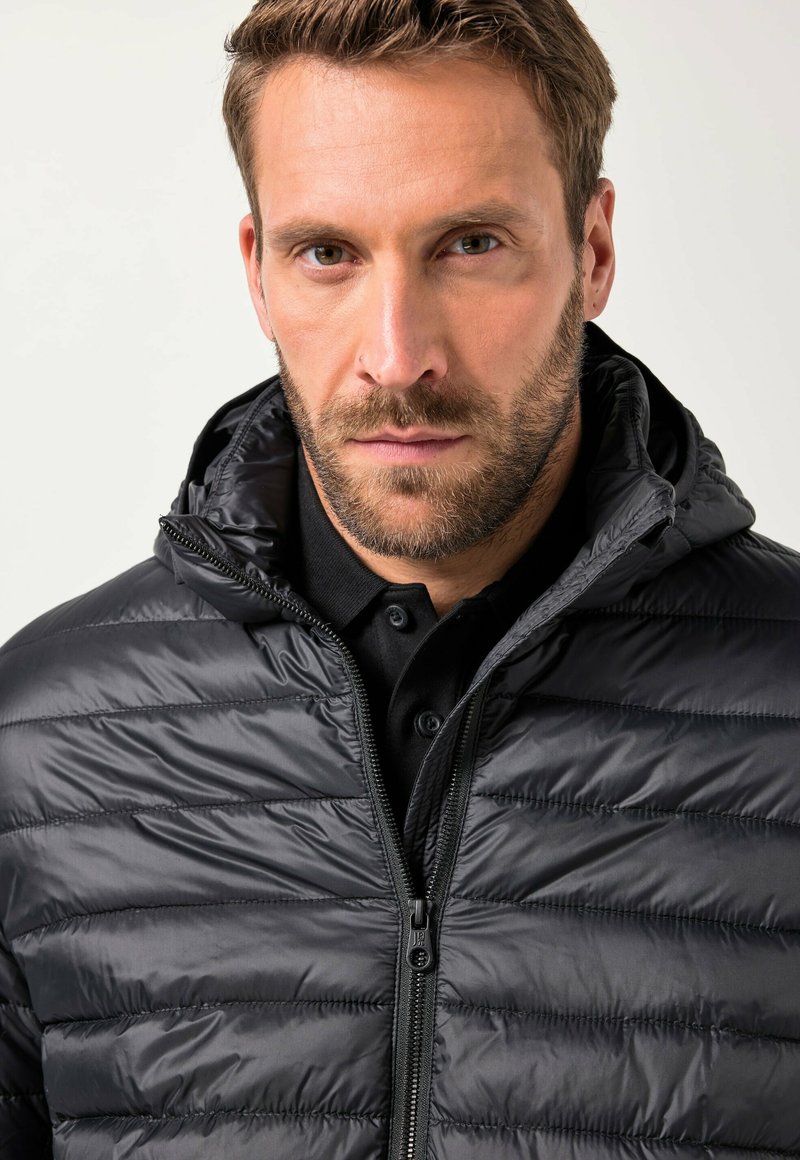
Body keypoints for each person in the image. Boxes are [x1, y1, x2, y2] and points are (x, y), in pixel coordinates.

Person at [1, 0, 798, 1156]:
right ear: (258, 272)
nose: (396, 355)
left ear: (591, 250)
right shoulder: (37, 742)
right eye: (327, 253)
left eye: (468, 244)